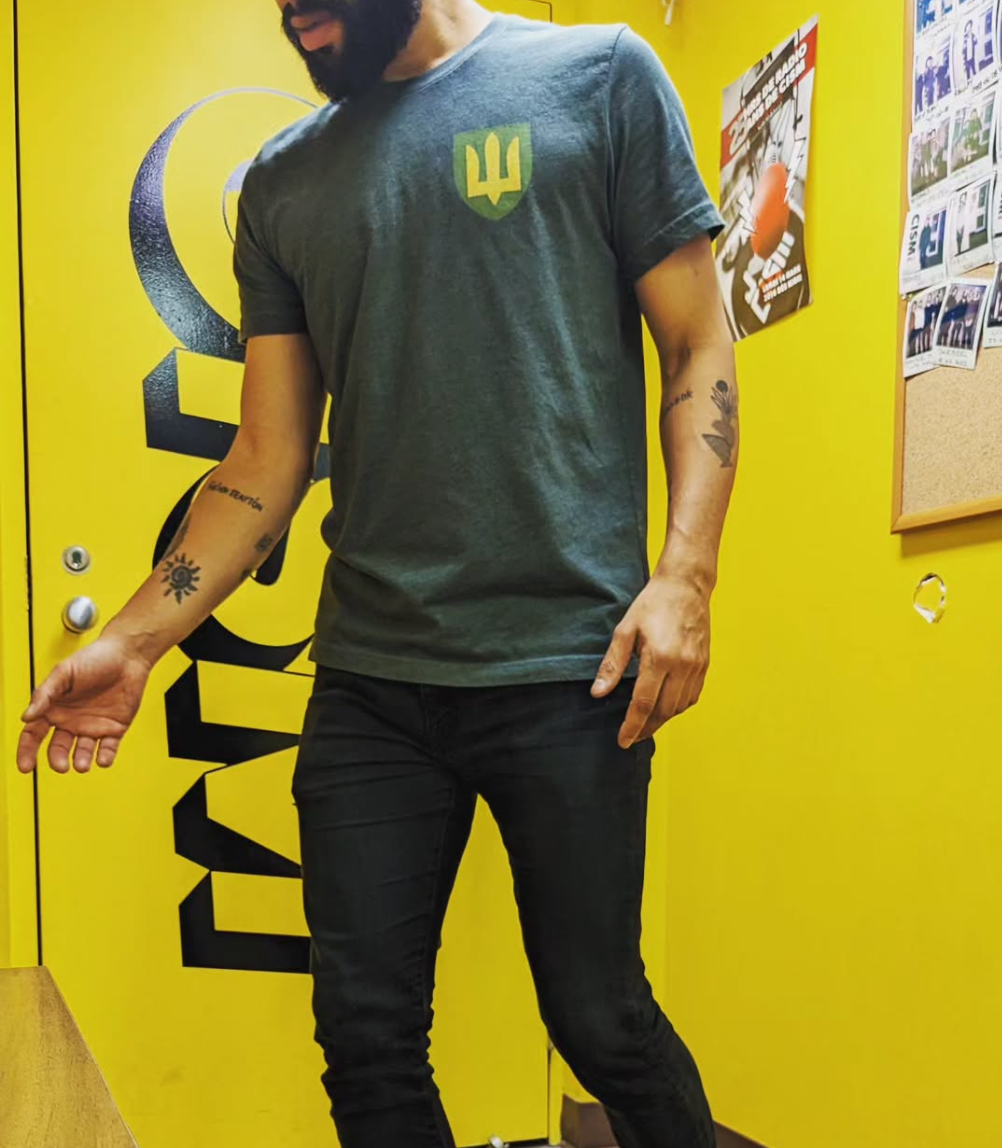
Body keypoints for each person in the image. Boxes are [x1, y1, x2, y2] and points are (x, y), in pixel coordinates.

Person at [16, 3, 737, 1147]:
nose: (294, 14)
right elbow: (266, 458)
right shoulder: (282, 185)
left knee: (600, 1019)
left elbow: (697, 341)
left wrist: (684, 578)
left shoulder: (598, 77)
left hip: (573, 665)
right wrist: (136, 637)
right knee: (366, 1035)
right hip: (373, 683)